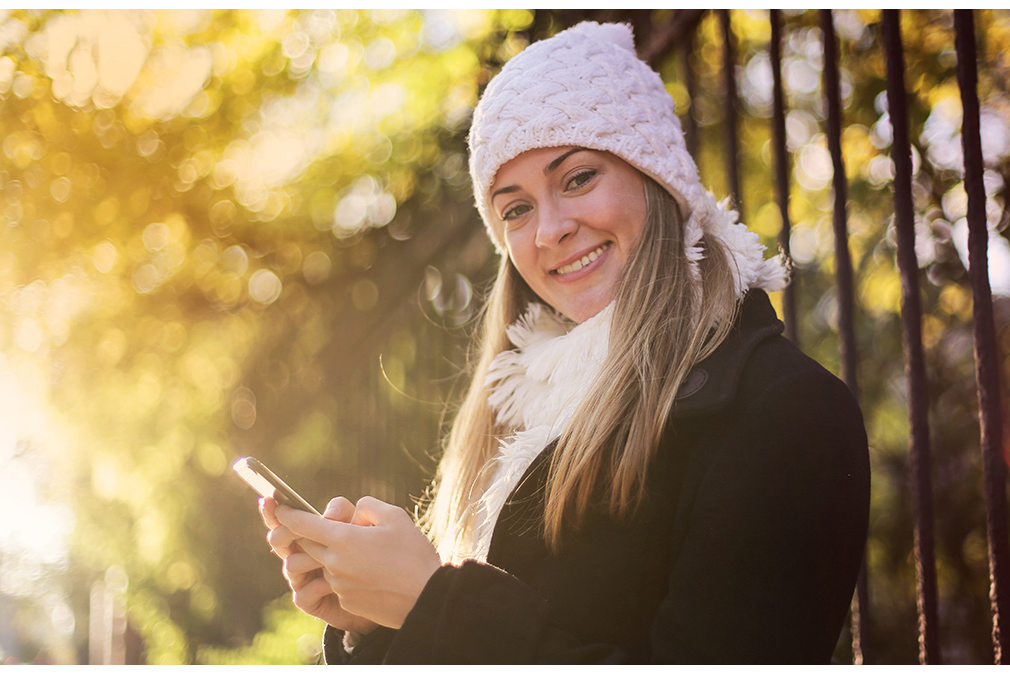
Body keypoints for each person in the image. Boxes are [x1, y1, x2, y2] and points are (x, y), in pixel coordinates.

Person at [259, 21, 869, 664]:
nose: (549, 230)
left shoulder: (785, 410)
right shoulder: (526, 416)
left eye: (577, 178)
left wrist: (431, 603)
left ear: (655, 179)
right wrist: (382, 622)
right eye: (515, 208)